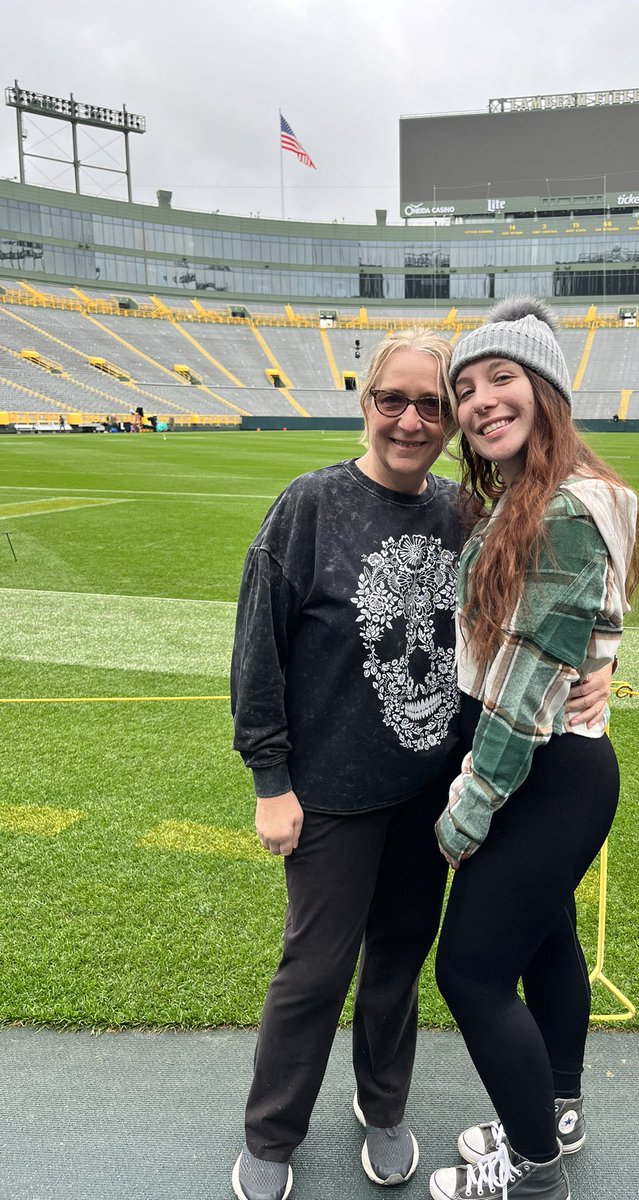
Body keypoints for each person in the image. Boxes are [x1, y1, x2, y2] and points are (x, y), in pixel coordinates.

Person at [229, 326, 611, 1200]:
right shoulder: (309, 505)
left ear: (449, 425)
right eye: (391, 401)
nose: (410, 420)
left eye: (430, 406)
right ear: (366, 405)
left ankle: (384, 1105)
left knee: (399, 956)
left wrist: (605, 661)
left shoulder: (462, 512)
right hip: (328, 794)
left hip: (427, 790)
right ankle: (273, 1130)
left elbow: (558, 596)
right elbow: (259, 654)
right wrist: (271, 781)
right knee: (316, 969)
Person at [428, 298, 639, 1200]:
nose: (479, 402)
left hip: (541, 770)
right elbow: (582, 632)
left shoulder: (558, 506)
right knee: (547, 941)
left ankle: (531, 1166)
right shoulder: (557, 494)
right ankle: (554, 1109)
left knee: (470, 971)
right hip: (567, 761)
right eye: (466, 387)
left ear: (547, 389)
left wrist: (469, 808)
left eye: (501, 378)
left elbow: (522, 692)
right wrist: (601, 672)